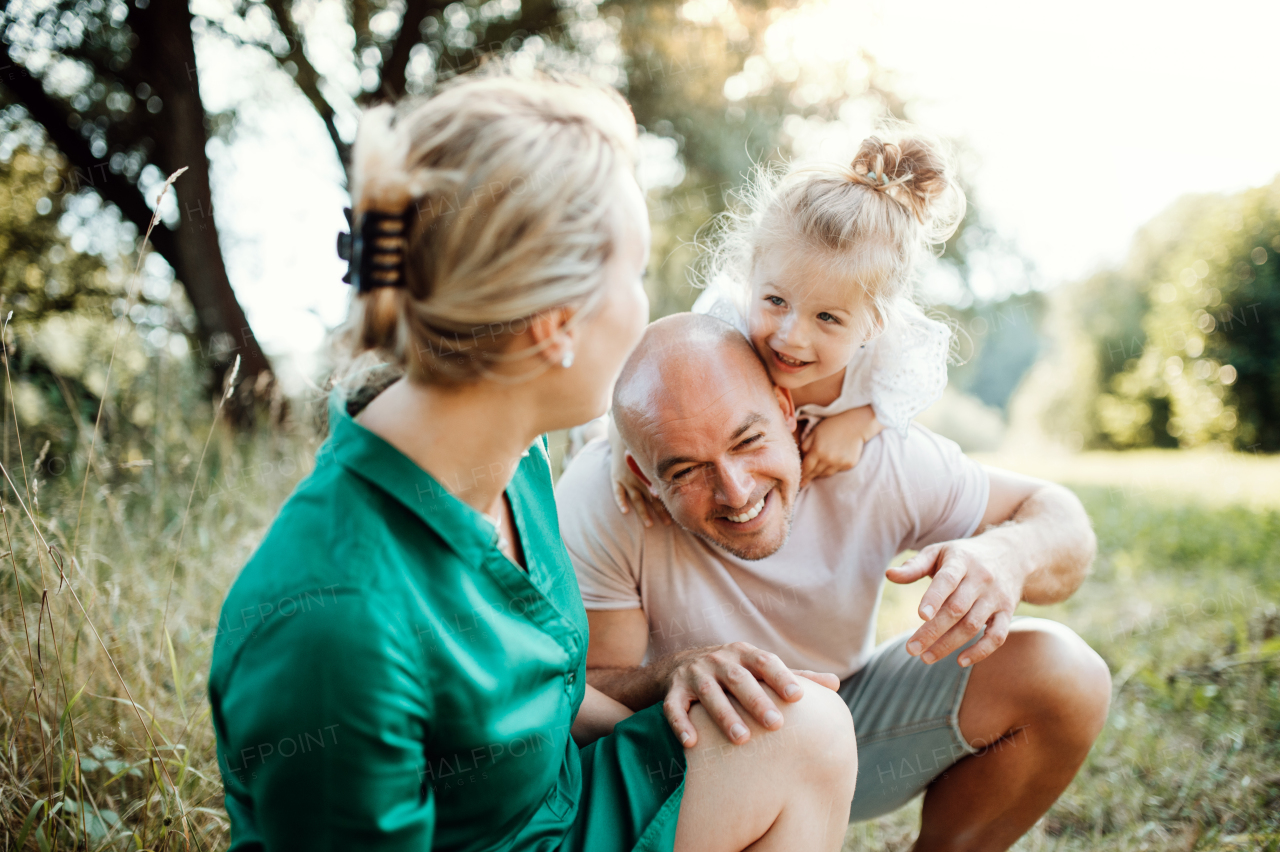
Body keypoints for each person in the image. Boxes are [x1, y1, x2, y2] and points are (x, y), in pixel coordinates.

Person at [208, 75, 857, 852]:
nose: (646, 309)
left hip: (564, 807)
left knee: (801, 729)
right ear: (557, 329)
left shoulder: (516, 461)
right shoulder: (333, 627)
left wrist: (666, 692)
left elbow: (527, 696)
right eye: (635, 273)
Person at [556, 312, 1113, 850]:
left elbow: (1059, 518)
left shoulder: (875, 460)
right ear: (643, 476)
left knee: (1064, 671)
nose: (736, 490)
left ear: (784, 408)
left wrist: (1008, 553)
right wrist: (673, 674)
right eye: (686, 470)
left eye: (748, 441)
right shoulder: (604, 501)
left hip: (854, 715)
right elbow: (591, 697)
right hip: (699, 757)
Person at [609, 129, 963, 525]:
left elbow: (915, 387)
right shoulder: (725, 325)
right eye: (776, 301)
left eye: (827, 317)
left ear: (872, 327)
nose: (791, 336)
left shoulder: (894, 355)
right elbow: (654, 384)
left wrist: (858, 425)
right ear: (750, 280)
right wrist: (620, 444)